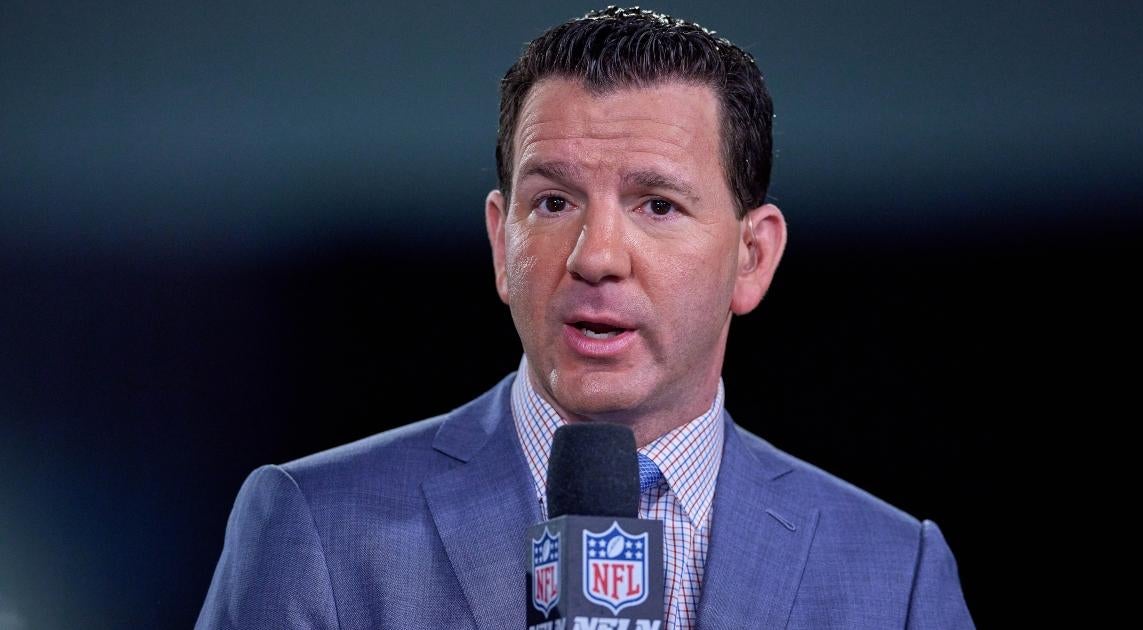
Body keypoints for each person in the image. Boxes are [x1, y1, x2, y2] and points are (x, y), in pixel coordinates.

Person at [197, 7, 975, 629]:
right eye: (555, 202)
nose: (596, 255)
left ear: (753, 256)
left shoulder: (893, 573)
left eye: (657, 204)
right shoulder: (317, 531)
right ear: (502, 243)